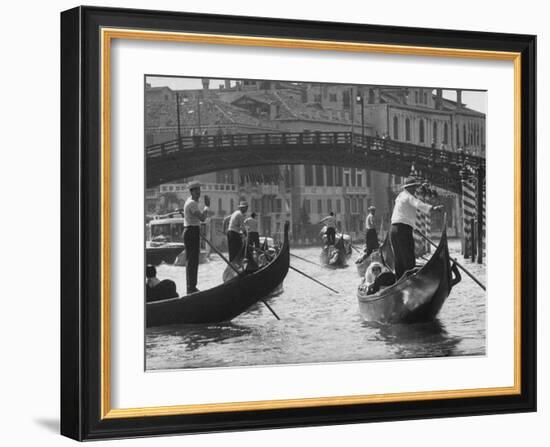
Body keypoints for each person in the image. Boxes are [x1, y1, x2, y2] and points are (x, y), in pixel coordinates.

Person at [390, 177, 443, 280]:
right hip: (403, 230)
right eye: (414, 187)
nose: (415, 189)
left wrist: (413, 226)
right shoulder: (408, 196)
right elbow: (418, 204)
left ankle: (400, 280)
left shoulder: (399, 196)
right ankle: (410, 280)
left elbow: (403, 214)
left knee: (399, 258)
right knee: (408, 256)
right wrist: (433, 208)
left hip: (393, 230)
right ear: (409, 187)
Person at [183, 180, 210, 294]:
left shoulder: (191, 201)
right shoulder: (192, 204)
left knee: (192, 260)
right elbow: (202, 218)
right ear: (192, 191)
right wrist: (207, 206)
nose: (199, 193)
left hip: (192, 231)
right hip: (191, 231)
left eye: (199, 190)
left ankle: (191, 287)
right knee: (192, 261)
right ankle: (191, 287)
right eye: (197, 191)